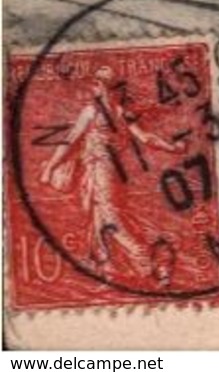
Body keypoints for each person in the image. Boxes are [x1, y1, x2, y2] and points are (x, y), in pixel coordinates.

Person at [39, 65, 182, 283]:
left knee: (109, 216)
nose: (93, 88)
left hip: (99, 171)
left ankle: (145, 258)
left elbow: (69, 142)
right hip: (112, 173)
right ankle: (104, 264)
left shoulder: (92, 112)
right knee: (99, 214)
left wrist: (50, 167)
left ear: (104, 88)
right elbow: (146, 138)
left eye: (97, 84)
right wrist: (172, 147)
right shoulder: (121, 112)